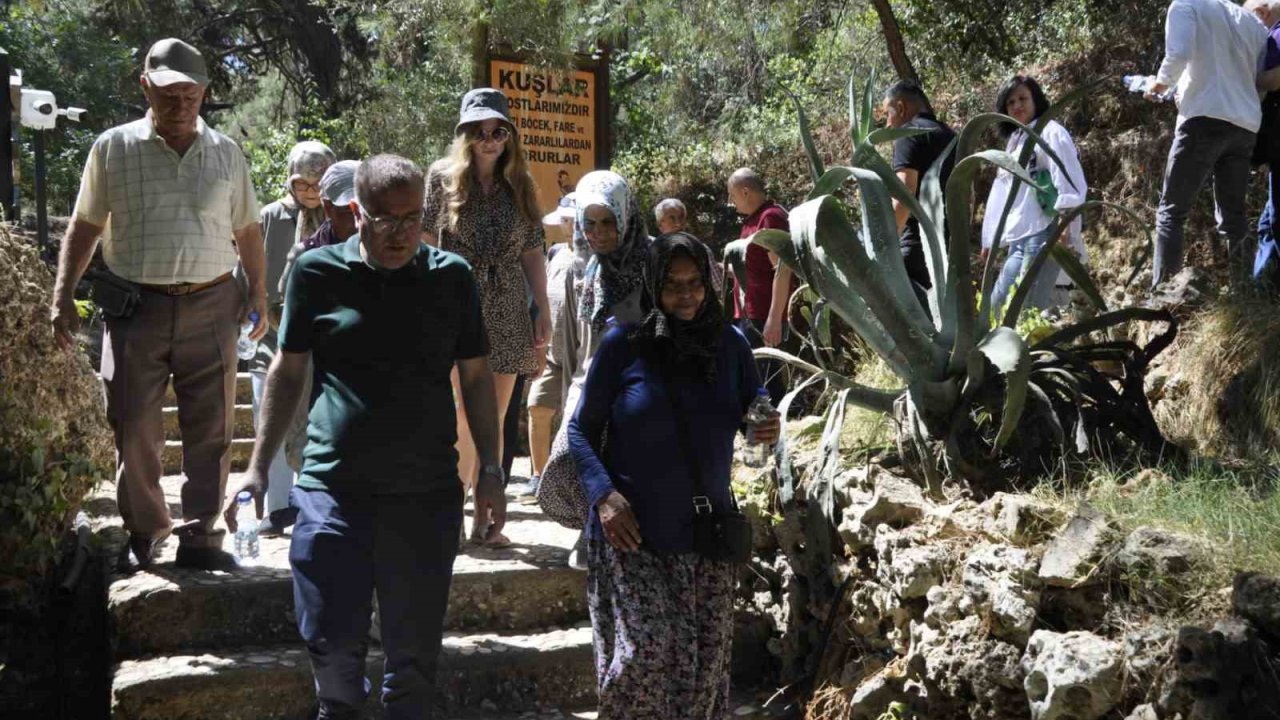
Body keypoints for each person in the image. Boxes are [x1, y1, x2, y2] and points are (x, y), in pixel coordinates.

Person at [224, 154, 506, 720]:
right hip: (333, 489)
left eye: (410, 219)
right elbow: (289, 368)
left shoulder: (452, 277)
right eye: (384, 219)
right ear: (357, 212)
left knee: (414, 662)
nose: (399, 233)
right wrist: (256, 467)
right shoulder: (316, 272)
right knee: (331, 651)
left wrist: (493, 471)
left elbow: (476, 376)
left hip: (424, 494)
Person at [49, 38, 266, 573]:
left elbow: (247, 229)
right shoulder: (112, 148)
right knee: (133, 425)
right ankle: (146, 532)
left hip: (213, 302)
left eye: (190, 94)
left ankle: (200, 536)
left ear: (204, 93)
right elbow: (85, 225)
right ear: (144, 87)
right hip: (135, 309)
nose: (179, 103)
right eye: (168, 93)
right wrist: (63, 296)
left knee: (212, 428)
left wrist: (259, 292)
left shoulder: (227, 153)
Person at [568, 232, 781, 719]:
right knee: (642, 658)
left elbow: (754, 414)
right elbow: (580, 431)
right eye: (672, 285)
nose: (686, 295)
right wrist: (604, 497)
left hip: (705, 538)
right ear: (651, 286)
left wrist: (763, 426)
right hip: (633, 534)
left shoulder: (730, 345)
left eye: (695, 284)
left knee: (702, 669)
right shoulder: (625, 345)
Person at [423, 88, 550, 546]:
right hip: (457, 304)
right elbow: (424, 241)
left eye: (498, 130)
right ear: (466, 134)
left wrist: (544, 310)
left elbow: (534, 250)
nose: (490, 138)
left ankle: (487, 519)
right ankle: (449, 513)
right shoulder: (442, 179)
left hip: (510, 307)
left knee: (494, 420)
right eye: (480, 130)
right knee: (460, 415)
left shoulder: (522, 183)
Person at [549, 170, 651, 569]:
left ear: (624, 217)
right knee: (568, 458)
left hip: (640, 381)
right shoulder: (583, 268)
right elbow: (576, 340)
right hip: (592, 380)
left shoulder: (653, 261)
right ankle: (589, 529)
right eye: (589, 223)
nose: (598, 233)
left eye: (608, 222)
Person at [238, 140, 334, 537]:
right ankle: (278, 507)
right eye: (302, 183)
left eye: (318, 183)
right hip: (272, 335)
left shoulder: (341, 216)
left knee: (317, 422)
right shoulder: (270, 217)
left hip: (322, 338)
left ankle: (312, 500)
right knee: (270, 417)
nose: (310, 191)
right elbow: (249, 270)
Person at [1146, 0, 1270, 289]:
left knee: (1172, 211)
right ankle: (1244, 295)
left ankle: (1163, 297)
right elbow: (1259, 80)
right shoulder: (1251, 22)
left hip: (1202, 118)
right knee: (1233, 217)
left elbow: (1179, 54)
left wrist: (1159, 85)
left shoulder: (1186, 5)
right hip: (1244, 124)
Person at [981, 76, 1089, 315]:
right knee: (998, 305)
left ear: (1036, 100)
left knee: (1026, 307)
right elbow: (1001, 192)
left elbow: (1067, 176)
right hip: (1019, 234)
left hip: (1045, 229)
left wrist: (1065, 222)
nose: (1017, 105)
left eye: (1023, 98)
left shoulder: (1050, 132)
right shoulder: (1015, 141)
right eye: (1011, 102)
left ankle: (1026, 351)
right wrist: (990, 238)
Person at [525, 198, 585, 497]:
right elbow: (542, 301)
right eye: (566, 220)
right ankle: (539, 476)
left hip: (583, 356)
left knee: (578, 421)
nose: (570, 225)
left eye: (574, 219)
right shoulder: (556, 253)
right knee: (537, 407)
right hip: (551, 352)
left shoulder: (593, 258)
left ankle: (573, 482)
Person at [882, 80, 956, 294]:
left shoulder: (907, 135)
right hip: (949, 247)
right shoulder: (951, 136)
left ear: (901, 108)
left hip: (915, 247)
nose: (887, 124)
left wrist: (885, 246)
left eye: (888, 113)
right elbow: (968, 195)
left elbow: (904, 195)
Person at [726, 167, 792, 404]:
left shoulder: (770, 217)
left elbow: (783, 269)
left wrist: (774, 319)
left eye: (732, 196)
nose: (731, 202)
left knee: (766, 379)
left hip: (764, 315)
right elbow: (750, 267)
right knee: (757, 375)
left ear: (745, 191)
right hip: (747, 313)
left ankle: (776, 429)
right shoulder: (750, 222)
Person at [1247, 0, 1280, 288]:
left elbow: (1274, 80)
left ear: (1262, 12)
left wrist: (1246, 77)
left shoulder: (1278, 33)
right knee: (1268, 223)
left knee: (1275, 221)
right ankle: (1262, 293)